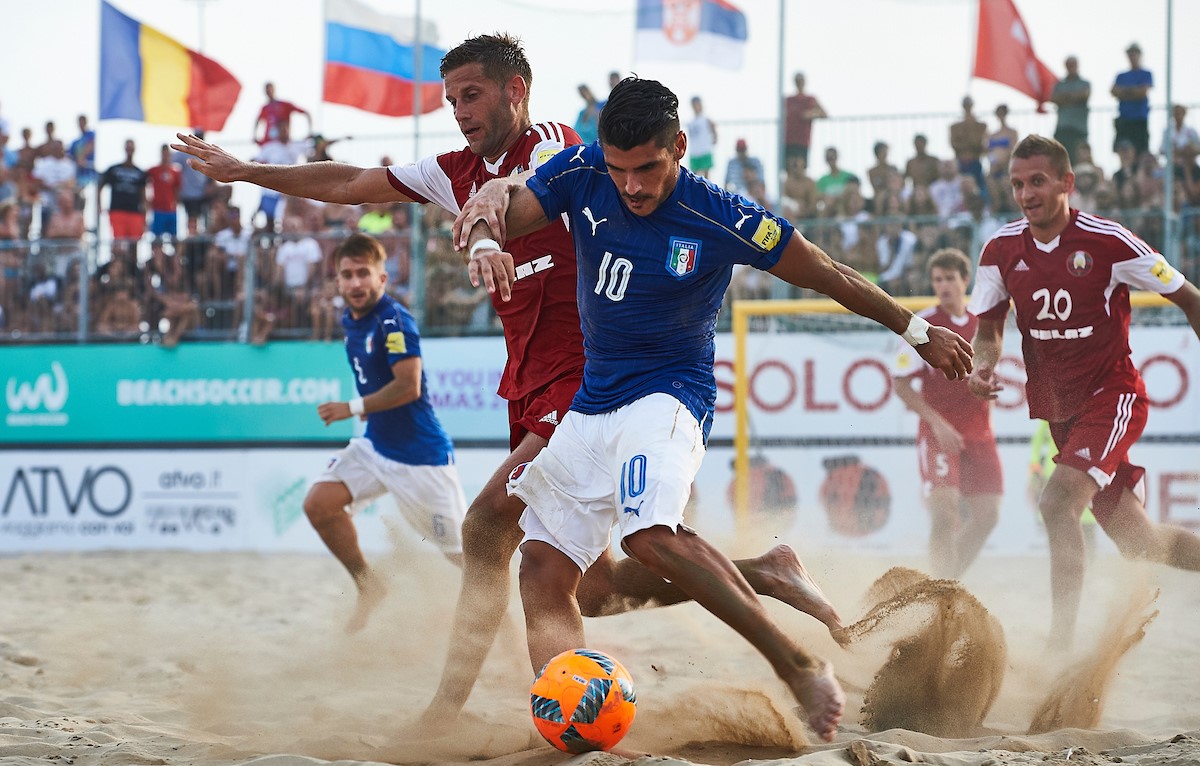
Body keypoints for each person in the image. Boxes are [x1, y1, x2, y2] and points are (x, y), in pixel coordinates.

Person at [172, 33, 846, 733]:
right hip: (528, 387)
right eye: (451, 98)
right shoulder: (452, 169)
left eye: (473, 94)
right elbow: (349, 183)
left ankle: (466, 714)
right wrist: (248, 171)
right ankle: (763, 572)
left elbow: (515, 189)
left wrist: (491, 226)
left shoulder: (556, 147)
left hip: (590, 379)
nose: (459, 110)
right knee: (597, 584)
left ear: (515, 90)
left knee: (486, 526)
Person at [454, 76, 974, 743]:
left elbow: (829, 273)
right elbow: (502, 211)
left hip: (669, 398)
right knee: (555, 576)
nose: (632, 187)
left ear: (678, 145)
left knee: (649, 535)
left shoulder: (719, 215)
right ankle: (577, 720)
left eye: (647, 169)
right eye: (620, 172)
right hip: (593, 405)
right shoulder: (585, 167)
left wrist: (918, 332)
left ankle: (797, 664)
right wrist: (488, 240)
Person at [967, 134, 1200, 649]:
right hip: (1060, 411)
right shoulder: (1000, 250)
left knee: (1056, 505)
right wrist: (982, 366)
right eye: (1017, 184)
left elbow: (1189, 297)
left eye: (1037, 182)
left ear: (1066, 183)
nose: (1026, 194)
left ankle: (1059, 650)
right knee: (1141, 544)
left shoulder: (1109, 241)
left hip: (1112, 396)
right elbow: (987, 329)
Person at [306, 232, 467, 633]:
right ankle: (368, 584)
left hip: (421, 459)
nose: (356, 283)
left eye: (364, 274)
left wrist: (351, 408)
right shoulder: (350, 318)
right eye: (348, 275)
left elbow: (407, 386)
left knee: (470, 567)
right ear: (338, 281)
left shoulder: (394, 320)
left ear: (382, 279)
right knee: (319, 505)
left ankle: (517, 643)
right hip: (376, 447)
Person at [893, 248, 1001, 578]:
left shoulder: (983, 325)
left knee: (988, 517)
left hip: (979, 433)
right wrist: (937, 424)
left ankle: (948, 582)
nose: (943, 286)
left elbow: (986, 377)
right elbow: (901, 384)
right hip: (939, 433)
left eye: (950, 279)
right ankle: (941, 587)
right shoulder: (923, 325)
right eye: (937, 279)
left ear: (965, 281)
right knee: (945, 512)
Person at [98, 139, 147, 243]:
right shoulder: (113, 169)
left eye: (131, 147)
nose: (129, 149)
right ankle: (118, 260)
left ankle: (133, 260)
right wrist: (99, 205)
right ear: (125, 148)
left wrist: (145, 217)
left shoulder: (140, 172)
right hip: (117, 211)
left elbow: (144, 196)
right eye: (128, 147)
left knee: (134, 243)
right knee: (118, 243)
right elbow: (100, 185)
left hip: (135, 213)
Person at [1111, 43, 1153, 156]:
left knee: (1141, 151)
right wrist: (1134, 91)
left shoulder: (1146, 73)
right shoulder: (1121, 75)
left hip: (1139, 119)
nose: (1132, 56)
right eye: (1130, 54)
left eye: (1134, 53)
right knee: (1122, 150)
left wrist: (1124, 92)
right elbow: (1114, 91)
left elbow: (1143, 92)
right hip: (1124, 120)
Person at [1050, 56, 1090, 165]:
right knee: (1060, 160)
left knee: (1078, 160)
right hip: (1062, 129)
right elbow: (1053, 98)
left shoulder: (1084, 83)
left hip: (1078, 130)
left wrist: (1065, 98)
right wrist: (1074, 97)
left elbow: (1084, 95)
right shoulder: (1059, 84)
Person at [783, 72, 826, 167]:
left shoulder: (810, 99)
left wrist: (811, 114)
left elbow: (824, 114)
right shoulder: (788, 100)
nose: (799, 83)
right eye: (797, 81)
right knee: (789, 166)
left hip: (802, 140)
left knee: (800, 166)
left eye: (801, 80)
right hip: (788, 139)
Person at [254, 81, 311, 146]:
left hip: (283, 144)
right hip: (268, 143)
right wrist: (255, 136)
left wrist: (309, 132)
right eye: (267, 90)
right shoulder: (265, 108)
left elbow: (306, 113)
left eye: (270, 89)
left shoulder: (284, 105)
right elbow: (257, 120)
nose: (269, 92)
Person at [147, 145, 182, 241]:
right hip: (158, 209)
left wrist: (176, 204)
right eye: (164, 153)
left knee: (174, 238)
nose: (165, 156)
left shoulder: (175, 171)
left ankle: (175, 256)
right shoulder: (153, 170)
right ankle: (158, 256)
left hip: (171, 210)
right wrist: (147, 201)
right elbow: (144, 184)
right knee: (157, 239)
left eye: (167, 153)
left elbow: (178, 190)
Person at [686, 95, 717, 179]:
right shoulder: (691, 122)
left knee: (706, 175)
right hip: (694, 152)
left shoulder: (706, 119)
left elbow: (714, 130)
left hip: (705, 150)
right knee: (694, 175)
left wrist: (715, 139)